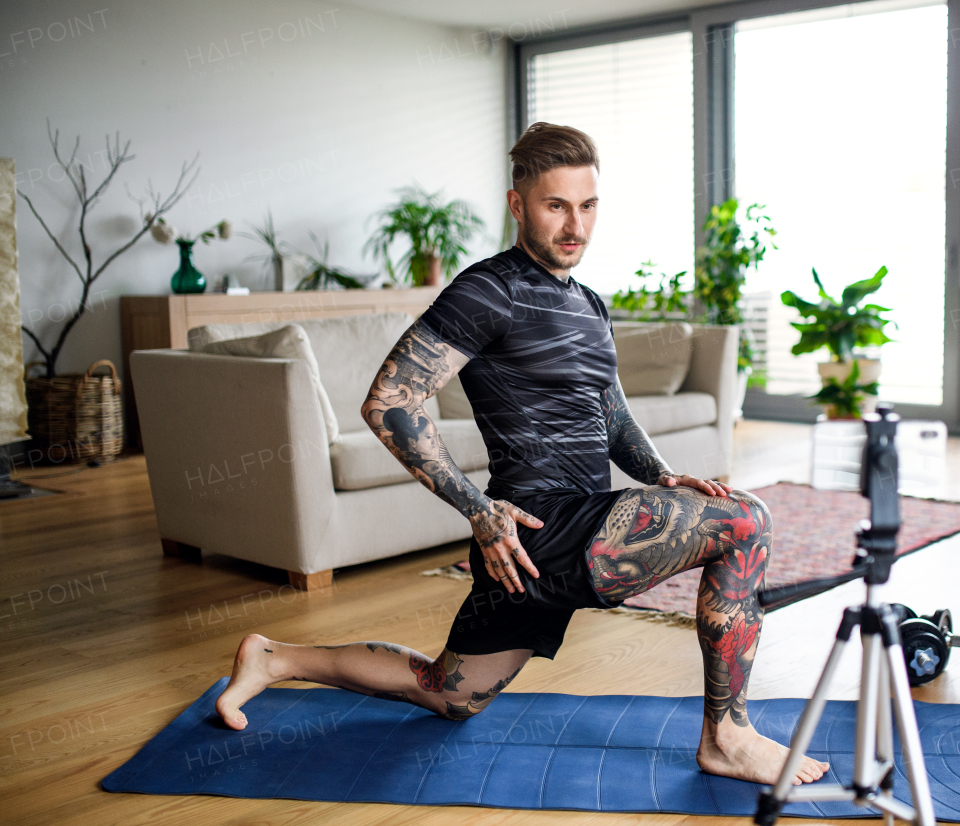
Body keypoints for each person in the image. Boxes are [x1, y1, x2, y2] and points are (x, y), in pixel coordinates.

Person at [215, 122, 829, 786]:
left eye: (588, 205)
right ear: (518, 206)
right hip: (539, 523)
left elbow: (611, 412)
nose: (576, 225)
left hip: (549, 535)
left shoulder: (589, 304)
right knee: (748, 520)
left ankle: (274, 658)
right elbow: (390, 400)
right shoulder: (489, 290)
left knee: (448, 690)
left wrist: (660, 475)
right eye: (555, 205)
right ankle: (728, 737)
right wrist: (479, 512)